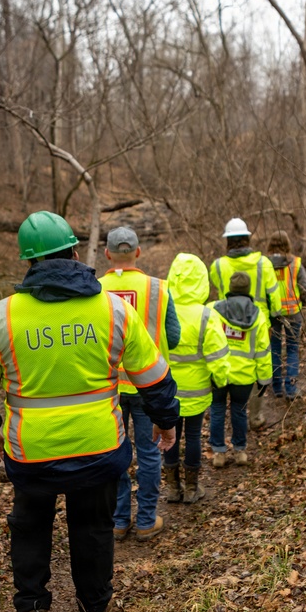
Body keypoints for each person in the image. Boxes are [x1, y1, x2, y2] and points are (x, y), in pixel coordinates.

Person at [0, 211, 179, 612]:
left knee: (29, 527)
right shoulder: (113, 309)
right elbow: (152, 376)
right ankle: (94, 609)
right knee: (94, 529)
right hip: (98, 448)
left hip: (32, 454)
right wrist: (166, 422)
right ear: (73, 250)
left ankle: (31, 611)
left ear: (27, 261)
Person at [98, 226, 181, 542]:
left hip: (108, 388)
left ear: (107, 254)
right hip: (148, 385)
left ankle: (119, 522)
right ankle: (146, 520)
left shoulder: (93, 288)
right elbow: (173, 336)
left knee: (114, 452)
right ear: (138, 252)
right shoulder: (159, 288)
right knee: (149, 453)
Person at [163, 253, 231, 503]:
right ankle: (192, 489)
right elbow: (218, 355)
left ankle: (172, 488)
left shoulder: (162, 309)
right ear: (201, 279)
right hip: (197, 391)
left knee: (169, 437)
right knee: (192, 436)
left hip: (167, 391)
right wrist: (221, 380)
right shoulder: (205, 315)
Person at [209, 218, 281, 430]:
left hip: (225, 323)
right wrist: (275, 318)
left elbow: (217, 287)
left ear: (228, 241)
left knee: (231, 363)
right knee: (257, 367)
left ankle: (229, 415)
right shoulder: (263, 263)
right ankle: (255, 416)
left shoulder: (218, 266)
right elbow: (274, 296)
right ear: (248, 238)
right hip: (259, 323)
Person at [208, 272, 273, 467]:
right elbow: (263, 351)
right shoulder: (258, 315)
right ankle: (240, 451)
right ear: (248, 290)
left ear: (230, 288)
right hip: (244, 375)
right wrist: (264, 379)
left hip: (218, 372)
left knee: (217, 410)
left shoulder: (213, 310)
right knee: (239, 411)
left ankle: (219, 453)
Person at [266, 230, 306, 400]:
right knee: (292, 349)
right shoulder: (296, 263)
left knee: (275, 349)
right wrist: (303, 302)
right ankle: (291, 388)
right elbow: (304, 287)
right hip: (293, 312)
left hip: (273, 313)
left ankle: (276, 387)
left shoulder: (265, 264)